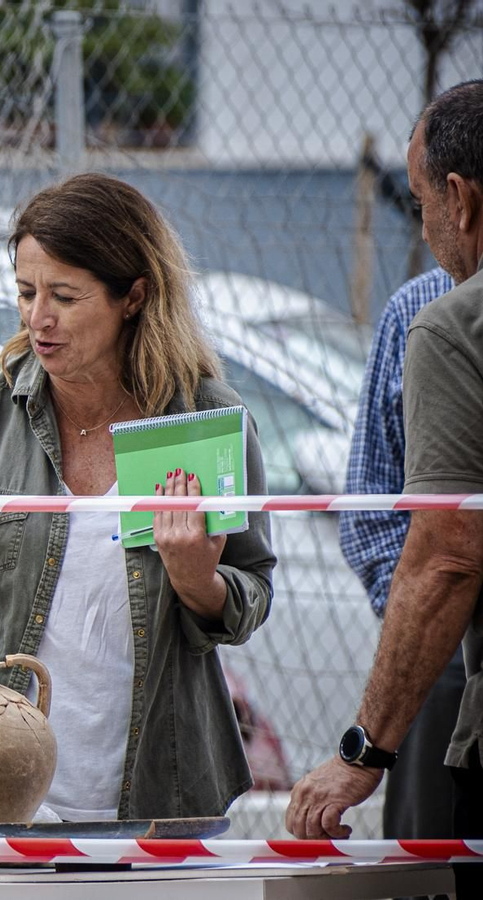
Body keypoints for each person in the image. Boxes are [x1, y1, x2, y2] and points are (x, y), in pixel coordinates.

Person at [0, 172, 276, 821]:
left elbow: (250, 593)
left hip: (156, 785)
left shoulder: (201, 422)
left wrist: (198, 581)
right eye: (26, 292)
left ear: (134, 296)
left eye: (64, 295)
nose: (38, 318)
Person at [287, 79, 483, 897]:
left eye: (418, 202)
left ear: (460, 198)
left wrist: (363, 748)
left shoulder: (453, 326)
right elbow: (378, 516)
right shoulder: (414, 312)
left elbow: (443, 557)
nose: (424, 225)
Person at [338, 265, 466, 841]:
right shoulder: (417, 309)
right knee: (432, 859)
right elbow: (370, 514)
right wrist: (429, 624)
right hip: (440, 668)